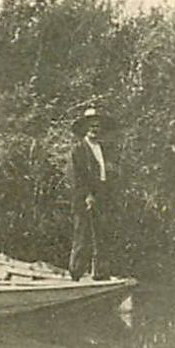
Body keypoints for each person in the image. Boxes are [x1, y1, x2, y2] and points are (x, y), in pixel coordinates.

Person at [69, 107, 111, 280]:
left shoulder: (103, 149)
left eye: (97, 126)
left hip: (101, 195)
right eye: (91, 125)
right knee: (83, 235)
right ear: (84, 128)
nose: (94, 128)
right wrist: (87, 195)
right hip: (83, 197)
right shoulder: (78, 150)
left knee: (101, 234)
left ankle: (99, 274)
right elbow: (76, 176)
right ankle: (76, 274)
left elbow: (106, 174)